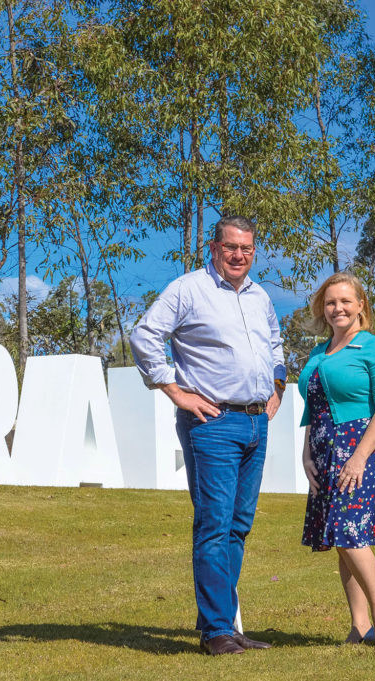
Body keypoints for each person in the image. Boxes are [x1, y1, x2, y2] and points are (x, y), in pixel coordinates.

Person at [130, 216, 286, 655]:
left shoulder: (259, 297)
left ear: (254, 252)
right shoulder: (188, 289)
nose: (239, 255)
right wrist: (174, 390)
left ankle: (220, 620)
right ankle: (217, 630)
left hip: (256, 422)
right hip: (213, 423)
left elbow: (275, 345)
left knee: (238, 526)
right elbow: (145, 336)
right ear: (213, 247)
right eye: (231, 247)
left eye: (247, 249)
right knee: (215, 526)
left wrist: (276, 386)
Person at [299, 272, 375, 647]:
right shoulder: (316, 352)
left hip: (359, 447)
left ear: (361, 305)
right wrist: (306, 452)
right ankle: (359, 625)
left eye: (345, 301)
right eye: (330, 302)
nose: (337, 308)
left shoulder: (373, 348)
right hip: (324, 449)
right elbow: (312, 408)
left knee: (351, 532)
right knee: (341, 537)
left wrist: (358, 457)